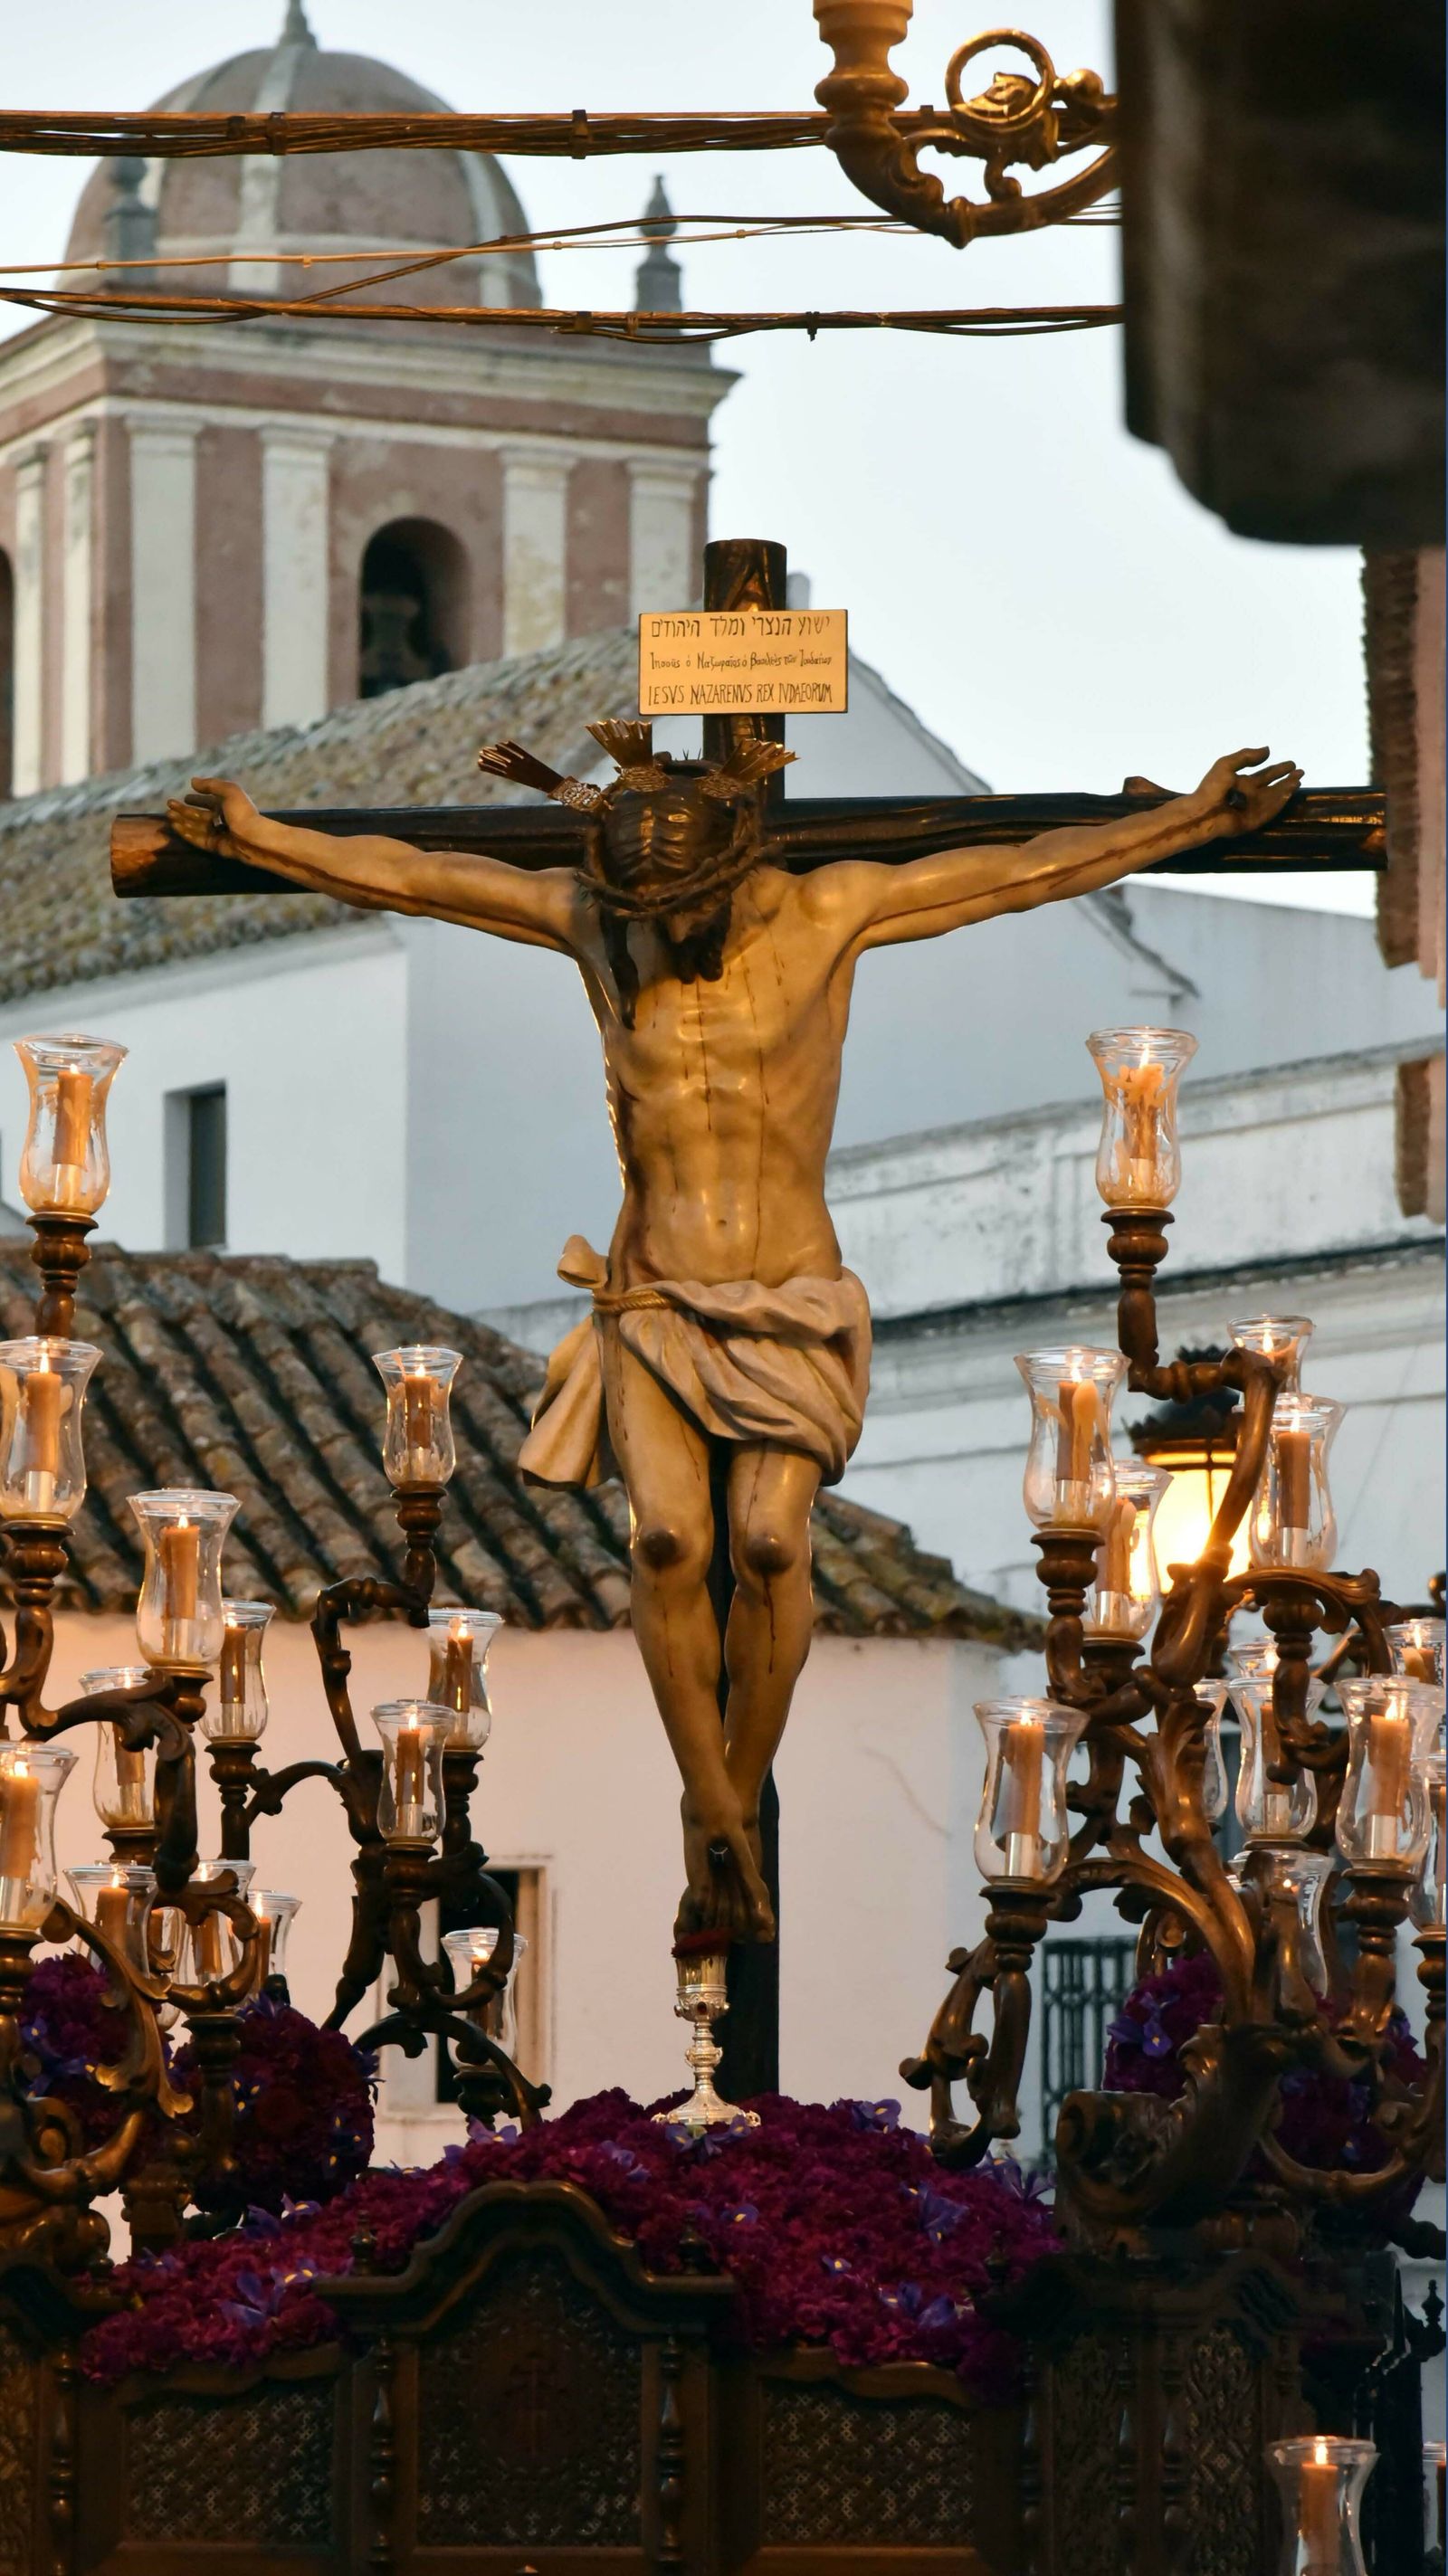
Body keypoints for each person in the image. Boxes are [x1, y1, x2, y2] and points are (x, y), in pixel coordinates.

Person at [169, 727, 1300, 1943]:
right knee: (667, 1541)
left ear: (730, 873)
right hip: (655, 1297)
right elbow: (420, 877)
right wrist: (259, 837)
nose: (662, 932)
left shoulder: (828, 917)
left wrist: (1190, 819)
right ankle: (705, 1803)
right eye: (642, 913)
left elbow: (1018, 872)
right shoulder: (601, 930)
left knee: (767, 1545)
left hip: (789, 1296)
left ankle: (732, 1799)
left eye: (682, 909)